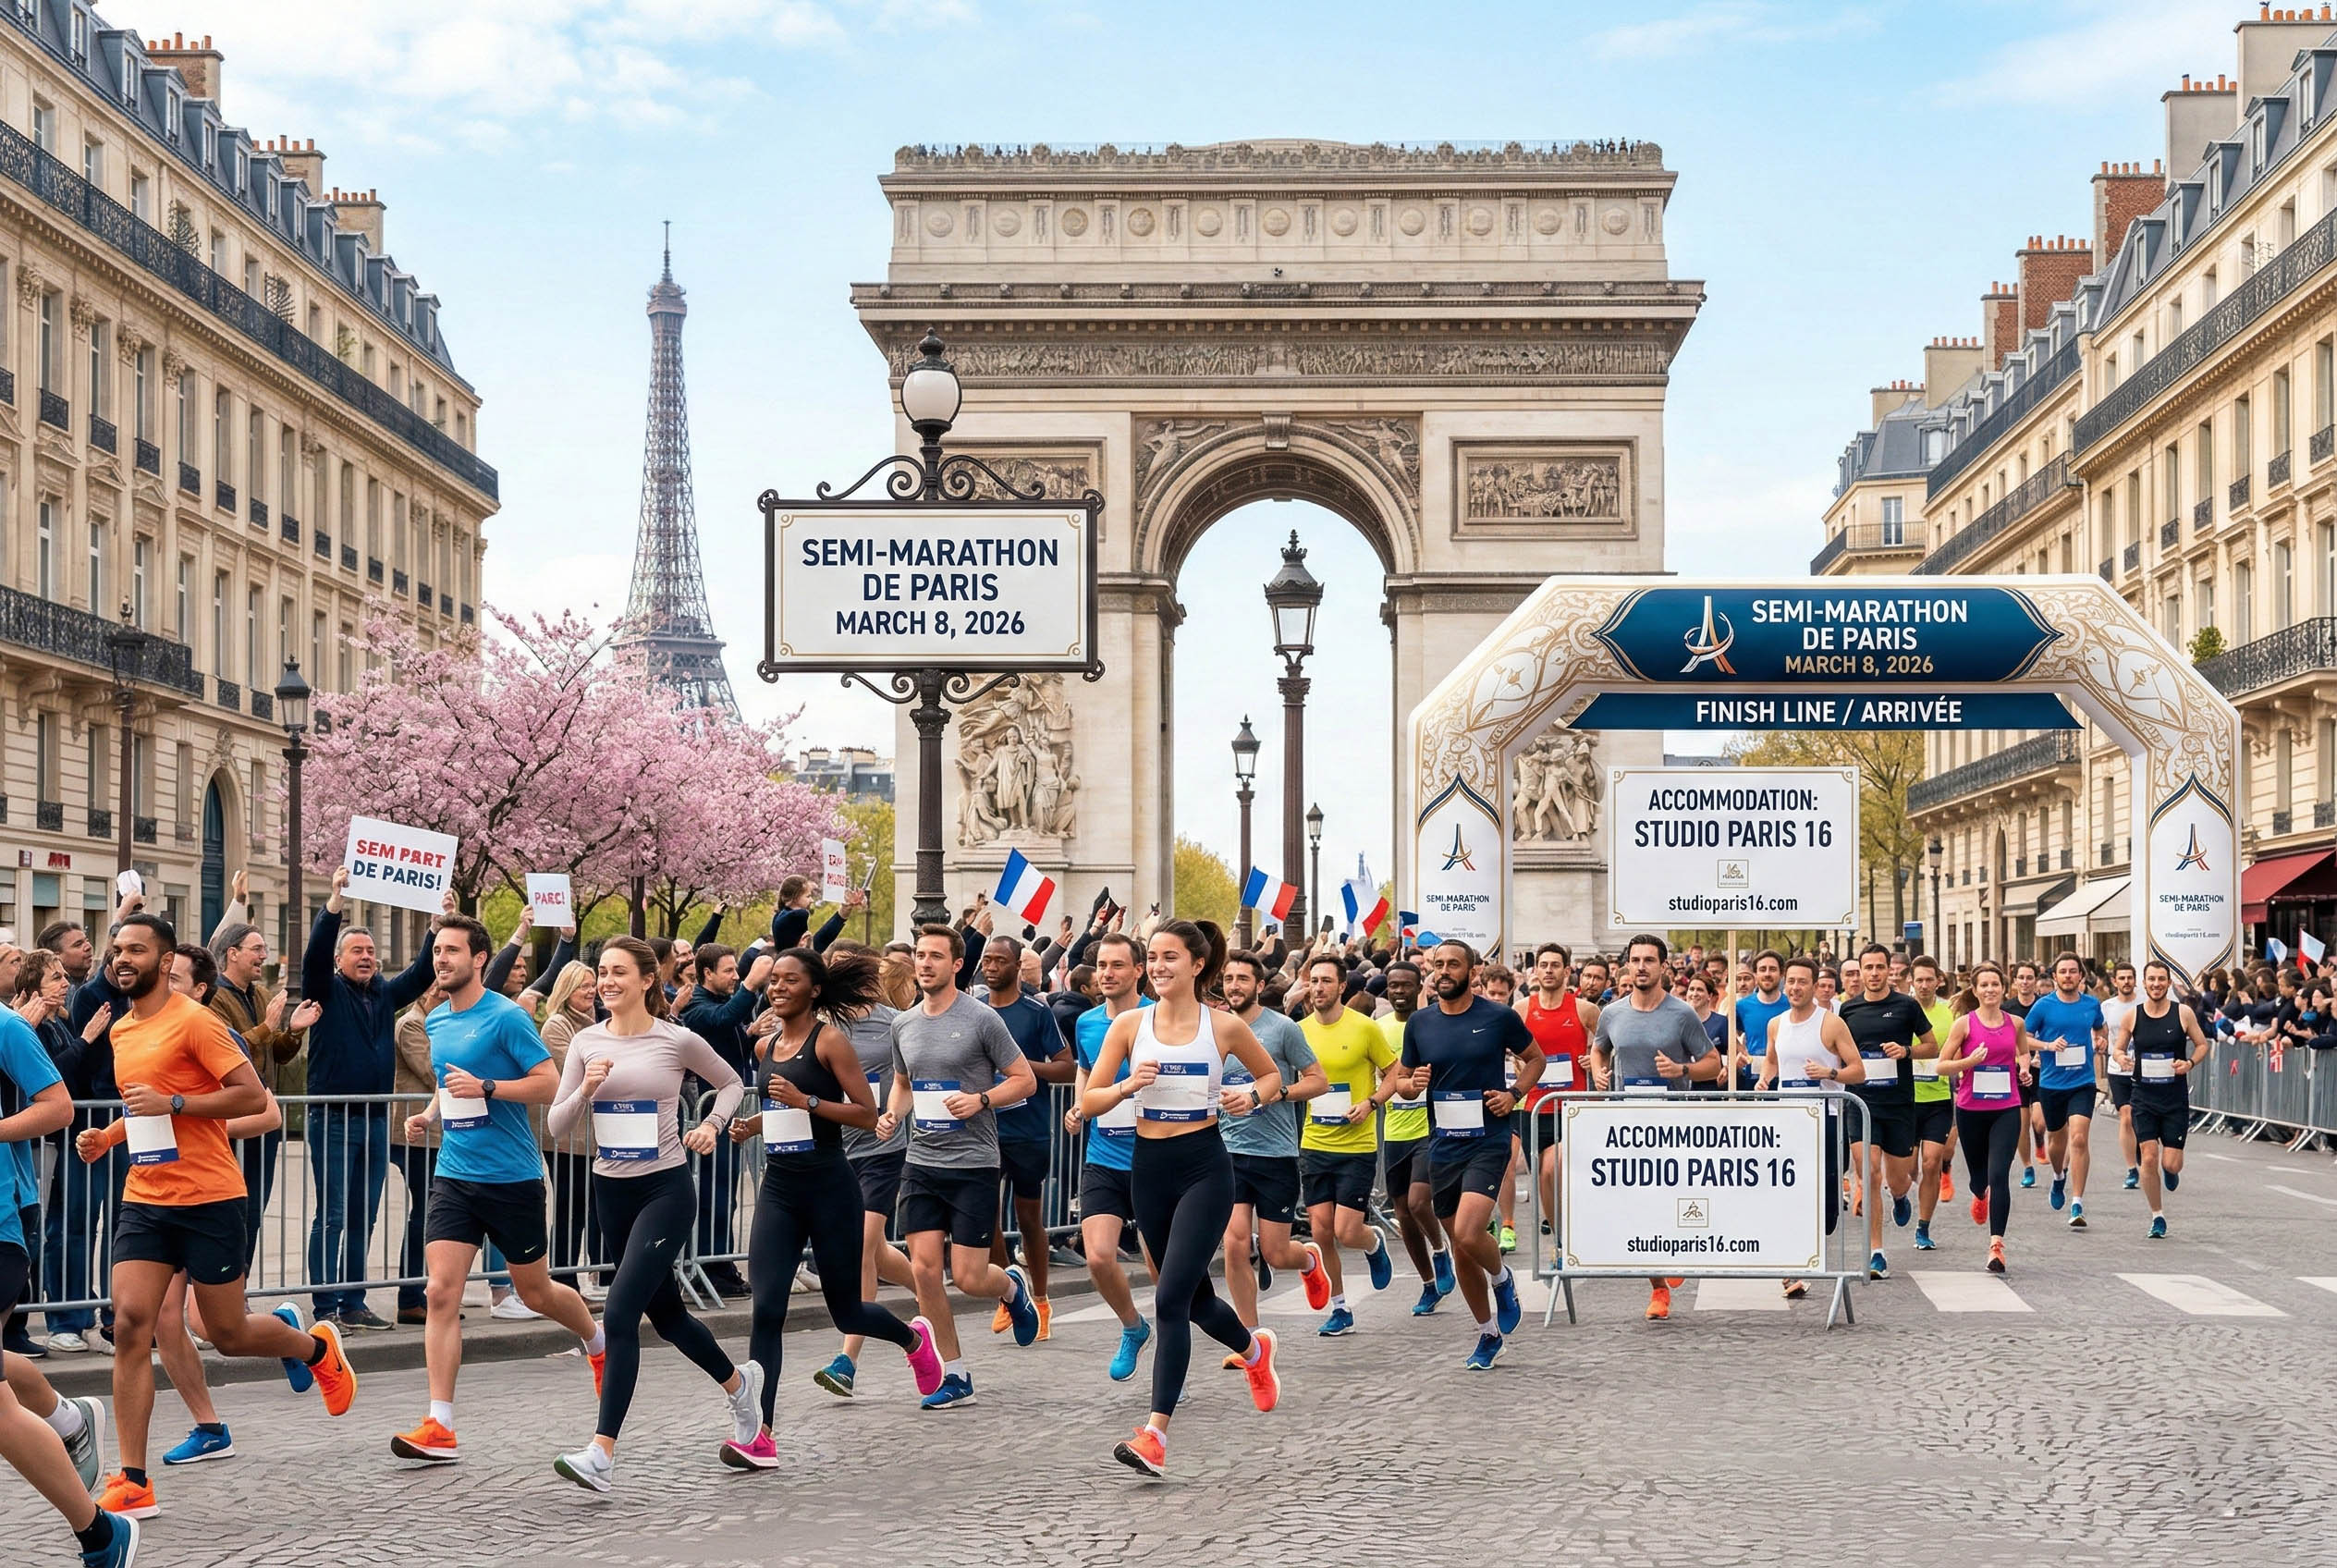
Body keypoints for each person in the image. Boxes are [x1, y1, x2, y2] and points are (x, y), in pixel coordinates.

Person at [76, 913, 358, 1521]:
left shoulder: (197, 1022)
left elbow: (252, 1096)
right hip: (147, 1199)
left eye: (134, 950)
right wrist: (112, 1134)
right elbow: (147, 1107)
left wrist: (177, 1100)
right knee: (131, 1324)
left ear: (161, 959)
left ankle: (314, 1350)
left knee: (228, 1333)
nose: (121, 959)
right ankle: (133, 1479)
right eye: (115, 950)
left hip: (209, 1198)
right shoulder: (123, 1029)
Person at [389, 916, 606, 1465]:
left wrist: (488, 1086)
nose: (441, 960)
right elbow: (446, 1080)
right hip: (455, 1175)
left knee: (535, 1292)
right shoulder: (436, 1020)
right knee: (441, 1292)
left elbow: (549, 1083)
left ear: (480, 958)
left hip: (513, 1178)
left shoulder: (507, 1017)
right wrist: (429, 1114)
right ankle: (440, 1424)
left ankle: (597, 1342)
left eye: (453, 951)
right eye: (437, 951)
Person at [544, 937, 755, 1493]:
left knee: (619, 1313)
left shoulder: (676, 1038)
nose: (606, 981)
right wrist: (586, 1087)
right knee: (666, 1317)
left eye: (618, 972)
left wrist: (710, 1124)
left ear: (645, 981)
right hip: (610, 1190)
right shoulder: (585, 1042)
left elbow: (732, 1082)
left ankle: (601, 1452)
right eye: (601, 972)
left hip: (665, 1189)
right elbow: (556, 1127)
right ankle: (739, 1387)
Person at [722, 949, 942, 1467]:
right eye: (773, 980)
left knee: (847, 1309)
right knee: (766, 1310)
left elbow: (868, 1114)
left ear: (814, 990)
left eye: (789, 980)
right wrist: (753, 1125)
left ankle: (914, 1339)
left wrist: (808, 1102)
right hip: (779, 1190)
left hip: (830, 1188)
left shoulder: (830, 1041)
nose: (776, 988)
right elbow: (780, 1110)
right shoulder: (768, 1045)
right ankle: (761, 1435)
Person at [1079, 920, 1284, 1477]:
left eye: (1171, 957)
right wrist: (1125, 1086)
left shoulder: (1223, 1027)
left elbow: (1271, 1078)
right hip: (1149, 1171)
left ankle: (1155, 1435)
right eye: (1152, 957)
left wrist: (1250, 1095)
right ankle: (1254, 1350)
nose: (1159, 966)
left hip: (1204, 1169)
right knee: (1192, 1303)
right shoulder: (1128, 1025)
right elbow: (1090, 1100)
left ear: (1197, 965)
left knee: (1168, 1302)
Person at [874, 925, 1040, 1410]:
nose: (924, 964)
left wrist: (981, 1099)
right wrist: (891, 1114)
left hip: (973, 1163)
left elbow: (1024, 1080)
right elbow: (904, 1084)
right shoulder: (903, 1024)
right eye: (920, 956)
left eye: (934, 957)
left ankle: (1011, 1287)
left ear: (956, 965)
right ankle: (956, 1373)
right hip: (921, 1161)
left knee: (968, 1277)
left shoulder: (982, 1019)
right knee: (926, 1271)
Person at [301, 867, 444, 1330]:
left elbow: (422, 974)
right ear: (340, 958)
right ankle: (325, 1308)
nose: (366, 958)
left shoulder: (382, 993)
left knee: (365, 1213)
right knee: (334, 1214)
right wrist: (334, 907)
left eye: (370, 951)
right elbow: (315, 958)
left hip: (375, 1119)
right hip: (334, 1118)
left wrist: (435, 929)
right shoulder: (325, 990)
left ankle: (354, 1301)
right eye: (356, 951)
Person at [1389, 939, 1537, 1368]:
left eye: (1454, 964)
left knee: (1471, 1233)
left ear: (1472, 972)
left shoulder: (1498, 1017)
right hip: (1443, 1143)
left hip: (1488, 1140)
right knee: (1459, 1246)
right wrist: (1409, 1084)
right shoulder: (1420, 1023)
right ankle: (1487, 1335)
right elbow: (1402, 1080)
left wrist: (1514, 1095)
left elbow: (1535, 1060)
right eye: (1439, 965)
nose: (1444, 971)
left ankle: (1502, 1278)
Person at [1588, 934, 1719, 1320]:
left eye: (1649, 960)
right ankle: (1658, 1287)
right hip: (1628, 1126)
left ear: (1664, 966)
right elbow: (1600, 1048)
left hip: (1675, 1125)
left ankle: (1677, 1246)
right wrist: (1598, 1073)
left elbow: (1712, 1063)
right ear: (1627, 965)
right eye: (1635, 960)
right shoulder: (1613, 1013)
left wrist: (1682, 1069)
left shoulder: (1682, 1014)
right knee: (1637, 1207)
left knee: (1674, 1200)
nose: (1641, 966)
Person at [810, 945, 917, 1398]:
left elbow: (912, 1080)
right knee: (873, 1254)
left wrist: (895, 1113)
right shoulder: (819, 1025)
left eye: (844, 971)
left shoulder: (895, 1022)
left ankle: (847, 1359)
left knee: (862, 1249)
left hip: (881, 1148)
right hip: (835, 1151)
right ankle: (930, 1283)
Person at [1060, 932, 1158, 1382]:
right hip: (1104, 1155)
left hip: (1156, 1157)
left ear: (1139, 970)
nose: (1107, 973)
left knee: (1162, 1271)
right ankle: (1133, 1328)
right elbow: (1085, 1069)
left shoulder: (1160, 1020)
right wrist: (1080, 1105)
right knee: (1099, 1257)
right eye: (1101, 965)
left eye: (1117, 965)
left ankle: (1169, 1367)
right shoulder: (1087, 1023)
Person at [1218, 948, 1328, 1347]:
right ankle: (1250, 1339)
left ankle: (1309, 1260)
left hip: (1275, 1153)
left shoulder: (1282, 1028)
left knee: (1277, 1251)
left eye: (1242, 979)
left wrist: (1278, 1092)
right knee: (1234, 1243)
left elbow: (1319, 1080)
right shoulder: (1214, 1028)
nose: (1234, 986)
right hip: (1227, 1151)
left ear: (1259, 986)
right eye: (1229, 979)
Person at [976, 935, 1072, 1342]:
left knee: (1029, 1217)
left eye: (1000, 960)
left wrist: (1020, 1068)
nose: (992, 966)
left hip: (1030, 1130)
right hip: (985, 1130)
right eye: (987, 959)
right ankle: (1008, 1295)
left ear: (1018, 966)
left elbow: (1066, 1068)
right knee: (987, 1215)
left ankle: (1043, 1298)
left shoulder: (1036, 1012)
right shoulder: (974, 1011)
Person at [1296, 952, 1396, 1335]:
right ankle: (1340, 1308)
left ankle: (1372, 1244)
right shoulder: (1300, 1030)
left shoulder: (1364, 1028)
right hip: (1315, 1141)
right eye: (1313, 980)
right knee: (1321, 1233)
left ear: (1342, 987)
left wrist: (1371, 1102)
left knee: (1346, 1230)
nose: (1318, 988)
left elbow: (1392, 1073)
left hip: (1356, 1145)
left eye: (1325, 981)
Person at [204, 910, 305, 1273]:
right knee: (231, 1208)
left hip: (262, 1119)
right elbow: (227, 1050)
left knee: (255, 1206)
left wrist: (293, 1031)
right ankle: (222, 1285)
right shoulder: (214, 997)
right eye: (256, 949)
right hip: (230, 1120)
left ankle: (240, 1283)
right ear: (232, 953)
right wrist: (266, 1028)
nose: (264, 956)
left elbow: (274, 1052)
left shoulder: (261, 993)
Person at [1755, 956, 1862, 1300]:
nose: (1795, 988)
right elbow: (1773, 1060)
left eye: (1803, 982)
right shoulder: (1777, 1024)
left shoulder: (1830, 1024)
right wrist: (1764, 1080)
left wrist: (1830, 1074)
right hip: (1789, 1123)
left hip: (1826, 1120)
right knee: (1788, 1192)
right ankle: (1791, 1268)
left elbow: (1857, 1071)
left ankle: (1813, 1241)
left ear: (1815, 986)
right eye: (1791, 982)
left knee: (1828, 1204)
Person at [676, 942, 777, 1302]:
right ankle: (707, 1267)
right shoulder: (697, 1007)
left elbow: (731, 1045)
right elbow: (718, 1023)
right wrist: (751, 983)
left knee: (728, 1196)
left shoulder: (721, 1005)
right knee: (712, 1195)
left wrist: (750, 1036)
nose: (735, 977)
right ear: (706, 974)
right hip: (707, 1115)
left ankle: (721, 1264)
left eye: (737, 970)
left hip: (729, 1111)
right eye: (729, 971)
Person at [1836, 943, 1937, 1280]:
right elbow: (1838, 1054)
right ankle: (1876, 1251)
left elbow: (1932, 1047)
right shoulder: (1848, 1010)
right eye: (1869, 968)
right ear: (1860, 972)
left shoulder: (1906, 1006)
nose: (1875, 974)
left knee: (1898, 1179)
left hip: (1898, 1104)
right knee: (1869, 1175)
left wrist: (1906, 1050)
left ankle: (1900, 1197)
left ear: (1889, 972)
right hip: (1861, 1103)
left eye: (1881, 967)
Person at [1934, 963, 2034, 1273]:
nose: (1990, 990)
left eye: (1995, 984)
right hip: (1971, 1110)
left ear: (2004, 989)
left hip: (2006, 1107)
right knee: (1979, 1178)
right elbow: (1941, 1066)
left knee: (1999, 1174)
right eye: (1984, 985)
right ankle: (1978, 1194)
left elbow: (2023, 1052)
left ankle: (1996, 1246)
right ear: (1975, 990)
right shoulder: (1964, 1025)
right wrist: (1968, 1061)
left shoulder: (2015, 1023)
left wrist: (2025, 1068)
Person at [2111, 961, 2210, 1239]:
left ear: (2168, 983)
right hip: (2143, 1096)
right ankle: (2157, 1216)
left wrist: (2189, 1063)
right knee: (2150, 1157)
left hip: (2174, 1098)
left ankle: (2171, 1171)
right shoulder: (2133, 1016)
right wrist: (2122, 1058)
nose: (2156, 984)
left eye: (2161, 979)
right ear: (2145, 983)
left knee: (2171, 1163)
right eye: (2151, 979)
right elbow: (2117, 1049)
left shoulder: (2183, 1013)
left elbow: (2202, 1044)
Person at [1374, 962, 1452, 1311]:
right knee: (1403, 1211)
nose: (1400, 991)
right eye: (1393, 986)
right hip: (1395, 1130)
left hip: (1429, 1127)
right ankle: (1427, 1284)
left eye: (1407, 985)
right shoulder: (1378, 1028)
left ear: (1421, 986)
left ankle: (1440, 1250)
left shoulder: (1433, 1023)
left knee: (1421, 1201)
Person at [1515, 943, 1596, 1249]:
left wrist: (1594, 1059)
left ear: (1567, 971)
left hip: (1573, 1108)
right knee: (1543, 1177)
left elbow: (1604, 1047)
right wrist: (1516, 1061)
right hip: (1534, 1107)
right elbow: (1511, 1052)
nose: (1549, 970)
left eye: (1555, 965)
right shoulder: (1521, 1010)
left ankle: (1571, 1234)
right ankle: (1561, 1239)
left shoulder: (1584, 1010)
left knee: (1554, 1167)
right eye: (1543, 965)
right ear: (1535, 970)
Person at [535, 962, 603, 1299]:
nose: (591, 991)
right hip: (566, 1136)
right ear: (565, 990)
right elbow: (576, 1073)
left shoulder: (600, 1022)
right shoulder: (557, 1026)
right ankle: (564, 1281)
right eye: (582, 985)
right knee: (570, 1210)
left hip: (595, 1136)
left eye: (593, 984)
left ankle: (600, 1275)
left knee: (596, 1206)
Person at [2025, 952, 2105, 1230]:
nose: (2068, 976)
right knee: (2056, 1142)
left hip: (2082, 1082)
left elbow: (2100, 1027)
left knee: (2080, 1138)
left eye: (2073, 971)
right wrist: (2047, 1047)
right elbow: (2022, 1037)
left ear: (2081, 976)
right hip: (2051, 1084)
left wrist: (2101, 1039)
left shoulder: (2091, 1004)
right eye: (2063, 971)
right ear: (2055, 976)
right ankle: (2059, 1176)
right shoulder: (2043, 1007)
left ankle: (2077, 1202)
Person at [1908, 955, 1957, 1252]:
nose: (1924, 985)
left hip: (1939, 1098)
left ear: (1939, 981)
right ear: (1911, 983)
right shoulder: (1902, 1010)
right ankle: (1903, 1197)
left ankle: (1923, 1227)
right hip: (1906, 1100)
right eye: (1919, 980)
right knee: (1905, 1172)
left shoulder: (1949, 1013)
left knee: (1931, 1162)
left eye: (1929, 979)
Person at [2099, 962, 2141, 1191]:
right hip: (2118, 1068)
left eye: (2129, 977)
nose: (2126, 981)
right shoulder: (2107, 1006)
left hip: (2145, 1069)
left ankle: (2144, 1153)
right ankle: (2131, 1169)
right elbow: (2101, 1033)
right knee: (2126, 1115)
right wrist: (2100, 1042)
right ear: (2114, 982)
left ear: (2135, 980)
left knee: (2142, 1117)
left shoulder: (2144, 1004)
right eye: (2121, 978)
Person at [2005, 960, 2044, 1186]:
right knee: (2021, 1123)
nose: (2025, 982)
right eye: (2021, 977)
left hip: (2042, 1069)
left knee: (2039, 1121)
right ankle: (2028, 1167)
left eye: (2030, 977)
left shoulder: (2044, 1005)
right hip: (2016, 1071)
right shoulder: (2007, 1009)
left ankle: (2040, 1139)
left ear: (2036, 981)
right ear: (2015, 981)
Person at [1731, 949, 1790, 1091]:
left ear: (1782, 974)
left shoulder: (1792, 1005)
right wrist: (1740, 1051)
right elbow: (1729, 1032)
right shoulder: (1741, 1006)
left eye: (1773, 969)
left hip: (1785, 1078)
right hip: (1752, 1078)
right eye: (1762, 969)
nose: (1767, 974)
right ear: (1756, 974)